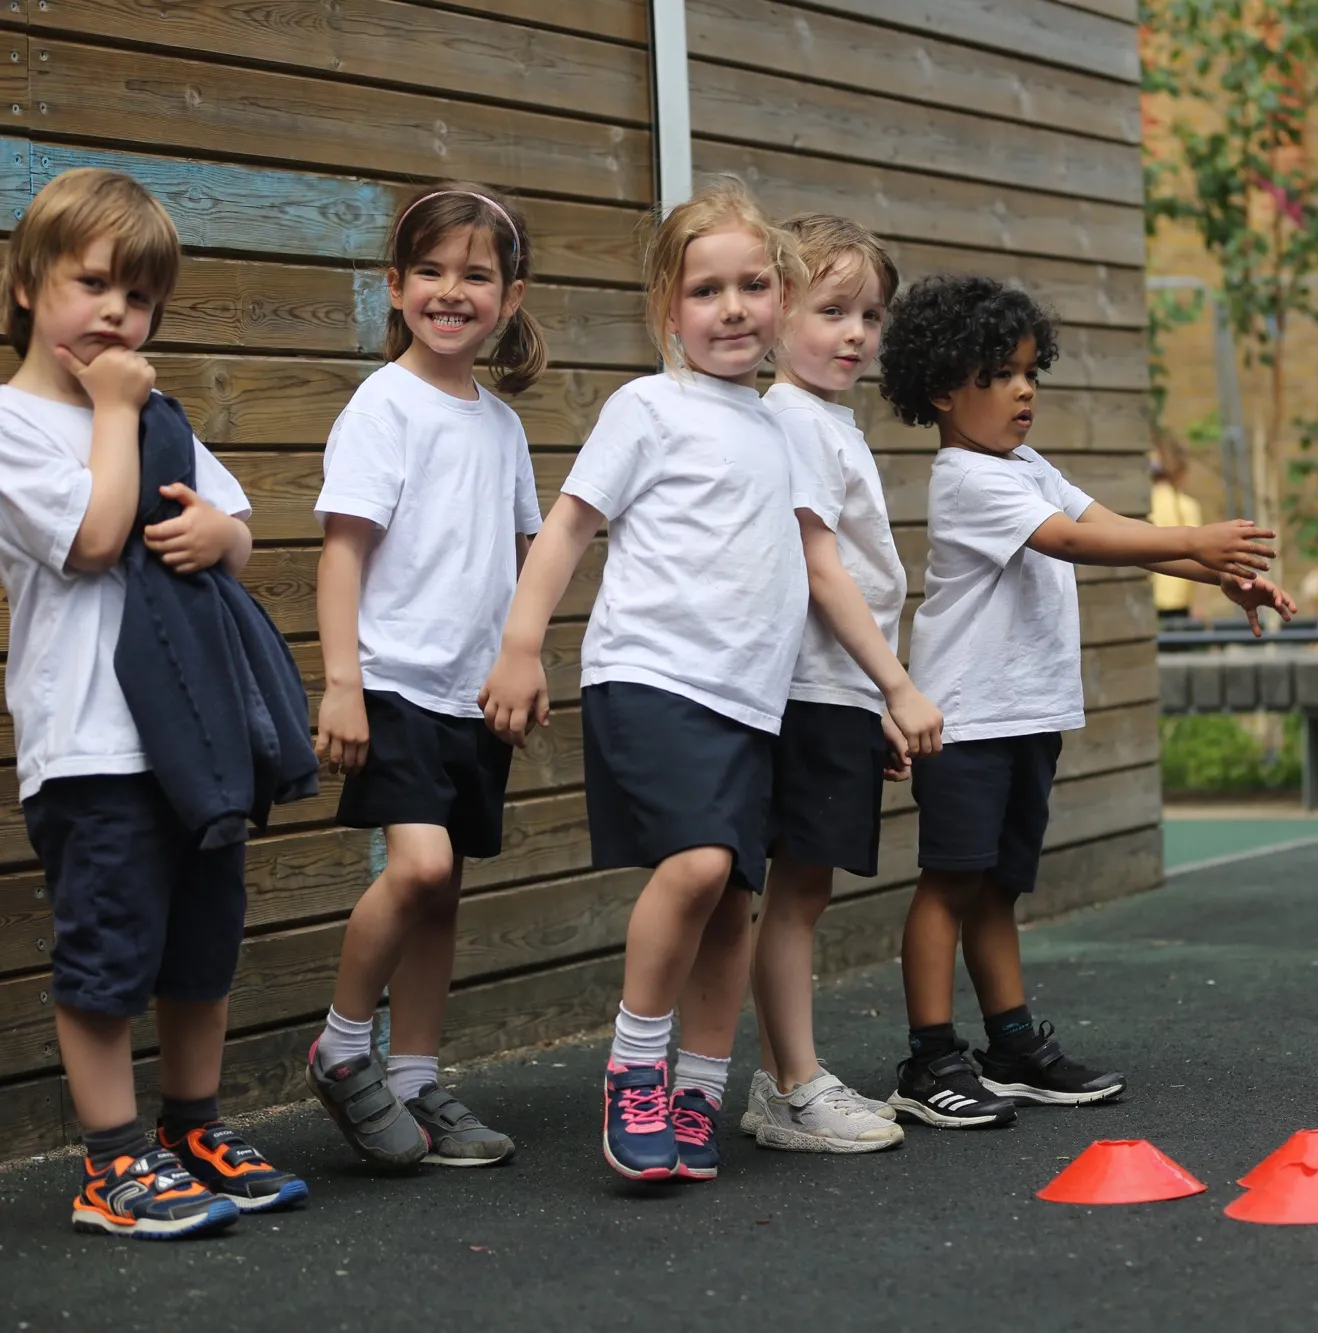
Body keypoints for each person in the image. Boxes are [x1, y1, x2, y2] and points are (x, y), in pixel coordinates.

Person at [878, 275, 1297, 1127]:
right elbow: (1074, 540)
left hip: (1027, 716)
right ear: (942, 391)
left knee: (998, 889)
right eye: (1001, 373)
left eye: (1032, 370)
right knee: (950, 884)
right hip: (967, 718)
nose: (1025, 388)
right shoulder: (966, 478)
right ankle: (928, 1059)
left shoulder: (1027, 467)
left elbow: (1111, 524)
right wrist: (1196, 537)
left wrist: (1221, 575)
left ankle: (1012, 1044)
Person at [480, 177, 809, 1183]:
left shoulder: (775, 427)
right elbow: (571, 524)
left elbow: (797, 566)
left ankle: (698, 1092)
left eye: (754, 285)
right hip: (655, 676)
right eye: (707, 291)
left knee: (731, 902)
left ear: (780, 301)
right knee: (701, 865)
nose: (733, 308)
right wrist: (522, 644)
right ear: (669, 309)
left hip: (749, 700)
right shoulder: (647, 406)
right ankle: (634, 1068)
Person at [0, 168, 306, 1235]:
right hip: (89, 746)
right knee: (108, 953)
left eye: (139, 298)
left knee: (201, 944)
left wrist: (225, 537)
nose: (117, 313)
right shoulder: (13, 424)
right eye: (93, 283)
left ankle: (191, 1127)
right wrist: (117, 411)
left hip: (192, 741)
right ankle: (111, 1161)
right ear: (28, 284)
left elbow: (234, 519)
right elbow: (92, 536)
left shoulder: (156, 412)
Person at [306, 183, 547, 1169]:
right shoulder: (384, 404)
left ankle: (415, 1080)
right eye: (433, 272)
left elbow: (525, 558)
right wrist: (341, 682)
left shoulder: (501, 425)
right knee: (421, 866)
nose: (453, 291)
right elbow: (341, 554)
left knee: (445, 894)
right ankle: (340, 1045)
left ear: (510, 295)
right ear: (396, 286)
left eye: (476, 275)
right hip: (396, 684)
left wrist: (521, 668)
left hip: (471, 697)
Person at [733, 213, 940, 1154]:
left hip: (835, 692)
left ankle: (788, 1078)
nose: (855, 333)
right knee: (797, 894)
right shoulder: (795, 420)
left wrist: (874, 699)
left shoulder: (820, 422)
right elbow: (822, 570)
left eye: (870, 314)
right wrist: (895, 686)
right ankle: (792, 1086)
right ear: (778, 311)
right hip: (810, 691)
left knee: (800, 893)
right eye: (831, 310)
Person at [1148, 438, 1204, 624]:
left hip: (1147, 596)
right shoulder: (1187, 506)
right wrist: (1200, 603)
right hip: (1178, 598)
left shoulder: (1143, 506)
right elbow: (1202, 556)